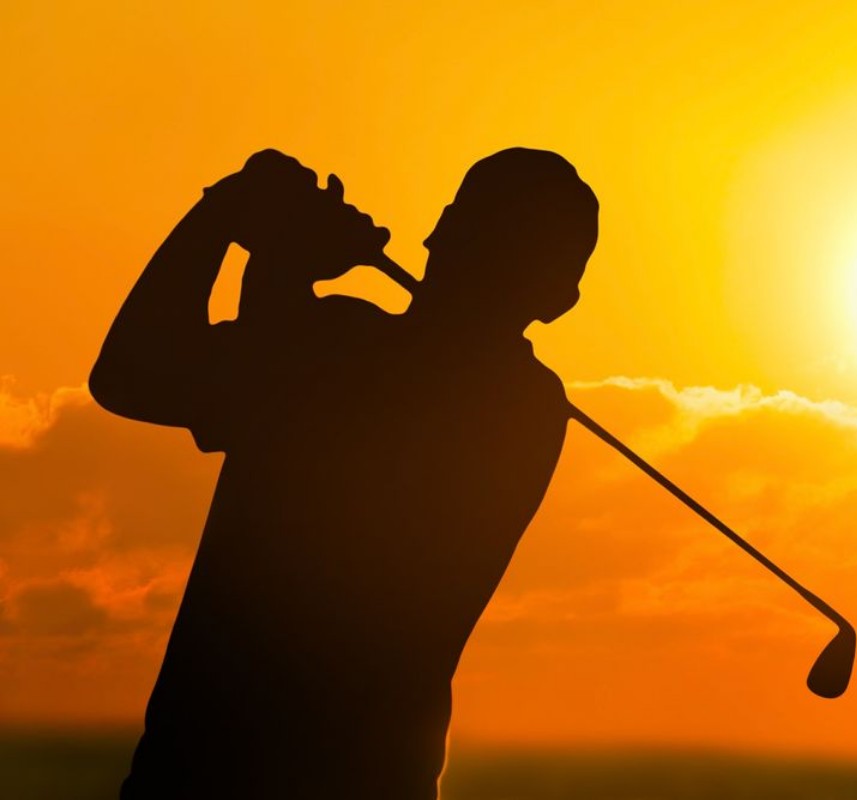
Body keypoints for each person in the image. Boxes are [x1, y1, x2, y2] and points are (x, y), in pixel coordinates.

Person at [89, 147, 599, 799]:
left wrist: (253, 232)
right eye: (467, 225)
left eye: (484, 235)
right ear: (561, 295)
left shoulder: (517, 405)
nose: (460, 245)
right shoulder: (353, 341)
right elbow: (130, 377)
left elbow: (171, 379)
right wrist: (235, 222)